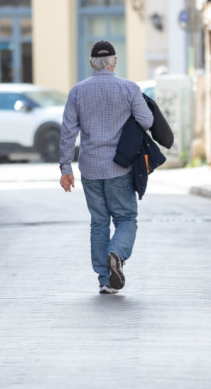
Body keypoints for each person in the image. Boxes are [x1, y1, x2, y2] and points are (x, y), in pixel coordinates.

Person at [59, 41, 154, 294]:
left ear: (91, 63)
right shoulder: (129, 88)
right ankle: (117, 253)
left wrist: (65, 168)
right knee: (126, 218)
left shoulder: (77, 92)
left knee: (99, 223)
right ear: (114, 62)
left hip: (90, 168)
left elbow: (68, 132)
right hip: (120, 167)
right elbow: (147, 120)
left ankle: (104, 279)